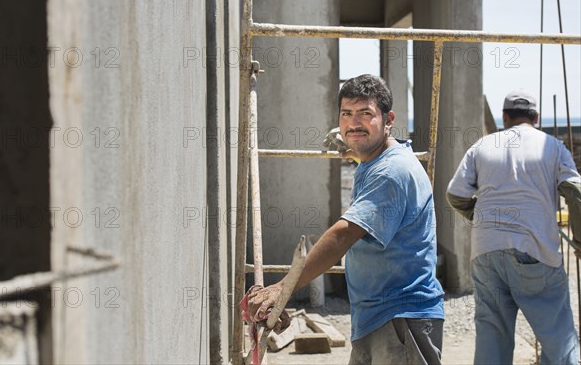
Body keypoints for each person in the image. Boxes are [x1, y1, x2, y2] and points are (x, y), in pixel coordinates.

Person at [247, 74, 445, 364]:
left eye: (366, 114)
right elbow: (364, 148)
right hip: (378, 317)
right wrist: (353, 149)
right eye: (347, 114)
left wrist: (283, 288)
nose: (354, 123)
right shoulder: (375, 159)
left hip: (401, 319)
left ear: (388, 120)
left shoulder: (391, 173)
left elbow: (343, 234)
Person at [447, 90, 581, 364]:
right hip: (534, 251)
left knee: (492, 336)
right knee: (559, 339)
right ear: (536, 117)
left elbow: (455, 194)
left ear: (505, 117)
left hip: (486, 253)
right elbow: (575, 192)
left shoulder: (482, 145)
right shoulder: (553, 147)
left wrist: (481, 217)